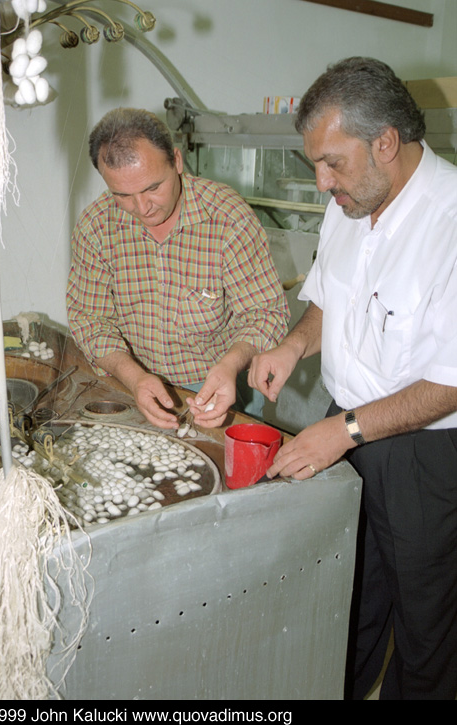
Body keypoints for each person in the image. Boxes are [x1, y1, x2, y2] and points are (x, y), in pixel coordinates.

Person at [248, 57, 457, 700]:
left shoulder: (449, 223)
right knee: (351, 594)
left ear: (386, 142)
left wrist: (341, 431)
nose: (320, 181)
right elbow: (325, 302)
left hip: (425, 454)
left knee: (428, 627)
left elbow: (450, 383)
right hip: (348, 428)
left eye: (332, 161)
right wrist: (293, 345)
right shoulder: (350, 200)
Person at [66, 108, 289, 430]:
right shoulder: (96, 226)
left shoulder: (227, 218)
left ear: (177, 161)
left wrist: (229, 365)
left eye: (153, 188)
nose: (142, 208)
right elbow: (89, 318)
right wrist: (134, 378)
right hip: (131, 382)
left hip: (216, 384)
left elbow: (265, 312)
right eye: (123, 195)